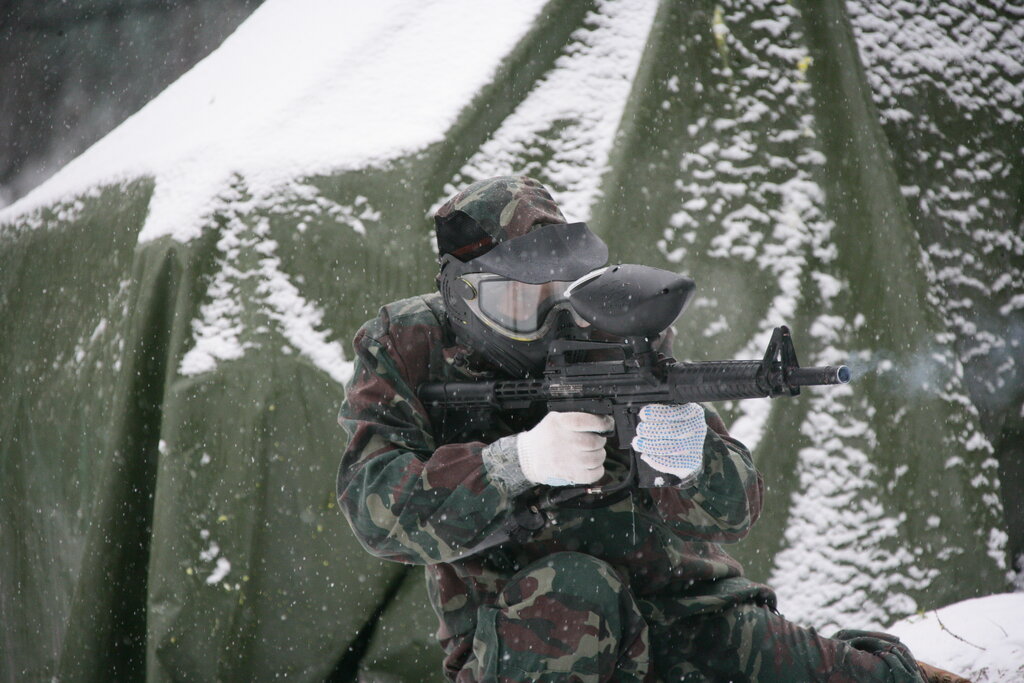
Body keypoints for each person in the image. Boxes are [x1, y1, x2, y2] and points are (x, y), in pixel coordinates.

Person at [337, 176, 968, 682]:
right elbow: (374, 509)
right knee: (574, 586)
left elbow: (736, 513)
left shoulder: (608, 323)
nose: (549, 316)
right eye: (517, 300)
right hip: (536, 640)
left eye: (559, 290)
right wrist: (514, 463)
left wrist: (692, 458)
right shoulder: (407, 345)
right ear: (459, 294)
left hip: (685, 614)